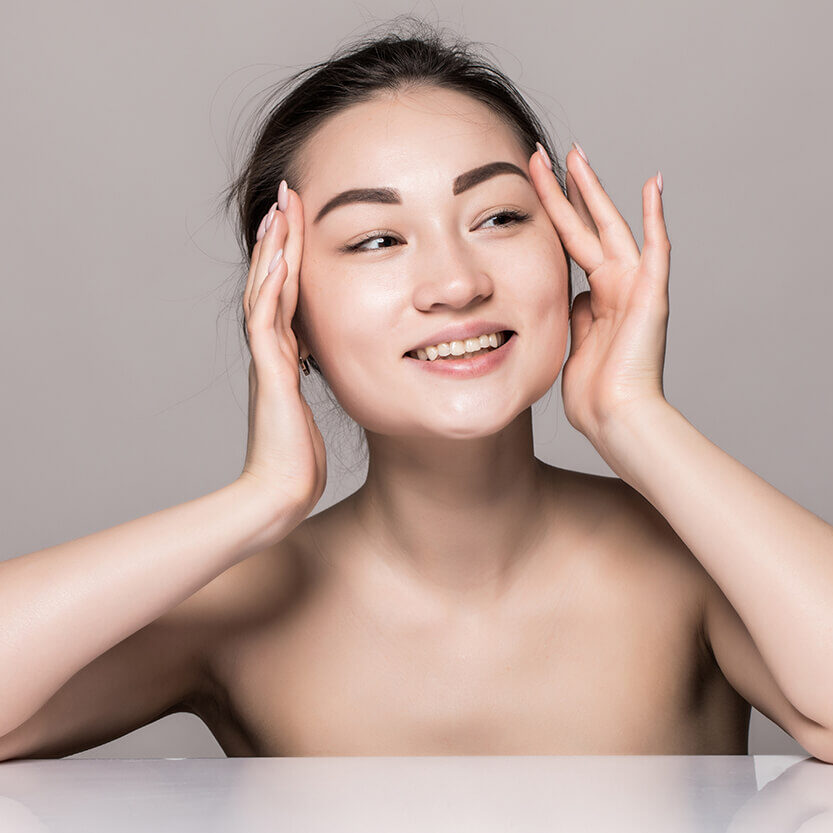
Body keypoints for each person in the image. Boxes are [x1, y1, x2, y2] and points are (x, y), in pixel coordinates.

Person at [2, 19, 833, 762]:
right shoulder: (240, 606)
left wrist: (634, 416)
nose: (454, 282)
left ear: (571, 252)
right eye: (375, 238)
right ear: (284, 311)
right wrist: (258, 500)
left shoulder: (694, 560)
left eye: (499, 217)